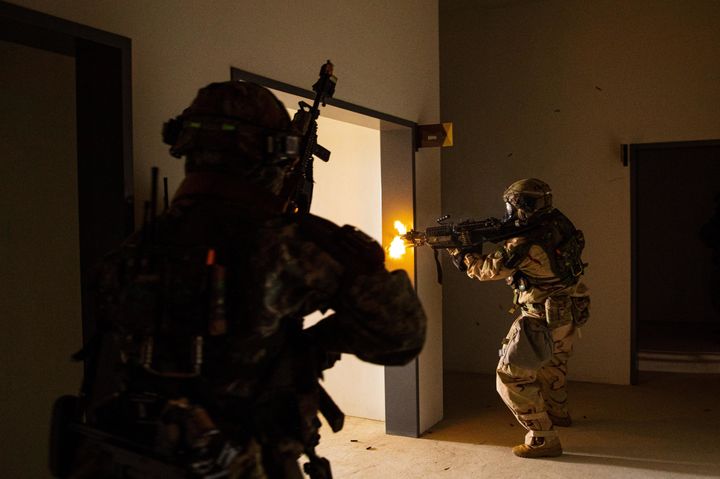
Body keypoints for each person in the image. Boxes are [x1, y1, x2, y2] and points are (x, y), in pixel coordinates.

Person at [64, 81, 426, 478]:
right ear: (274, 154)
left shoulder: (135, 248)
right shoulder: (287, 245)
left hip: (136, 460)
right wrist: (313, 345)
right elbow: (402, 333)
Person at [448, 178, 589, 458]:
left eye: (512, 206)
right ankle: (558, 413)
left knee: (510, 378)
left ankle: (543, 437)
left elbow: (487, 270)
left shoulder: (524, 243)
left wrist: (462, 254)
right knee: (553, 364)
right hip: (569, 311)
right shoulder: (557, 222)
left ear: (522, 205)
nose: (509, 212)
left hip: (540, 317)